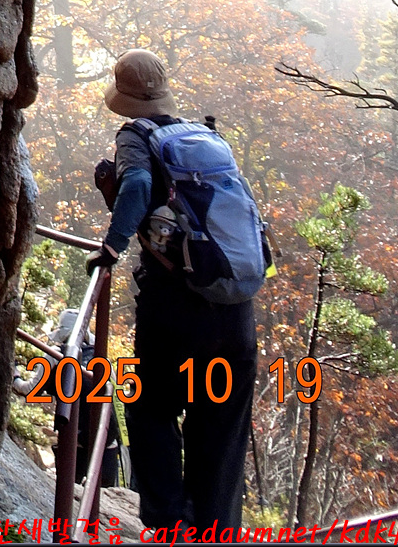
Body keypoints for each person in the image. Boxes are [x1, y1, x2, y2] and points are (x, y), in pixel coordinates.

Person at [90, 49, 257, 539]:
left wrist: (112, 246)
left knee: (150, 407)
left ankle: (168, 525)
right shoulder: (205, 136)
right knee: (221, 428)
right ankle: (215, 533)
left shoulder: (136, 137)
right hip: (235, 309)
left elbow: (137, 185)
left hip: (175, 308)